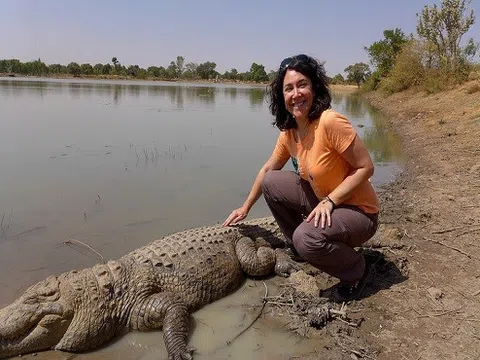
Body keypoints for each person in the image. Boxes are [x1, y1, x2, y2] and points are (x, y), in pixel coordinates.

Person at [222, 54, 379, 302]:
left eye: (302, 85)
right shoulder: (291, 130)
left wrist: (330, 201)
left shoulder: (330, 122)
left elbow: (366, 168)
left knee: (306, 237)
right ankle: (304, 248)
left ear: (314, 87)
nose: (296, 93)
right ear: (281, 96)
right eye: (289, 88)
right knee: (270, 182)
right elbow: (267, 170)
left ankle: (356, 270)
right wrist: (245, 206)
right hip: (325, 200)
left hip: (359, 212)